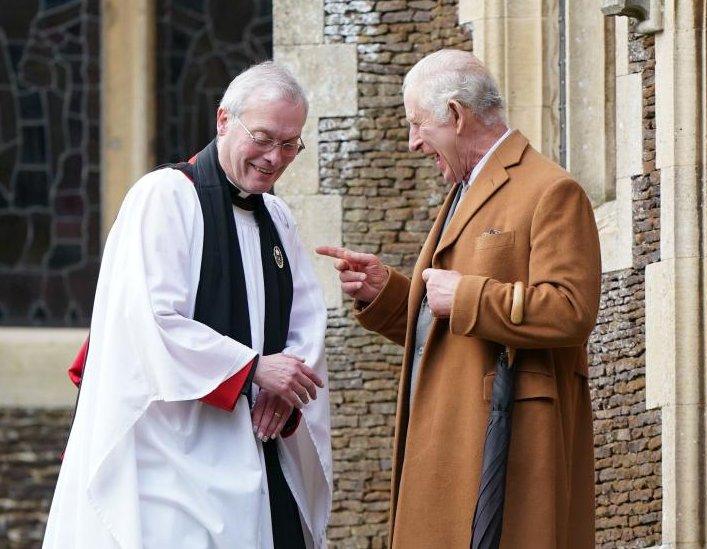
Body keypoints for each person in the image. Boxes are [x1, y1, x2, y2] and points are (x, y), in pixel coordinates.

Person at [317, 49, 601, 547]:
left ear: (455, 115)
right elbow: (447, 318)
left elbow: (571, 311)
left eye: (417, 125)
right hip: (450, 439)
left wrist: (467, 296)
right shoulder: (464, 189)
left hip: (508, 447)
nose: (412, 144)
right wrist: (388, 294)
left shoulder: (552, 190)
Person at [44, 62, 333, 548]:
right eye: (263, 137)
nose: (275, 158)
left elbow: (307, 319)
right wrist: (254, 369)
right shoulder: (164, 198)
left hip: (255, 440)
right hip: (171, 452)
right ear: (223, 120)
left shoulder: (278, 216)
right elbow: (147, 320)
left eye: (290, 144)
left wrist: (286, 385)